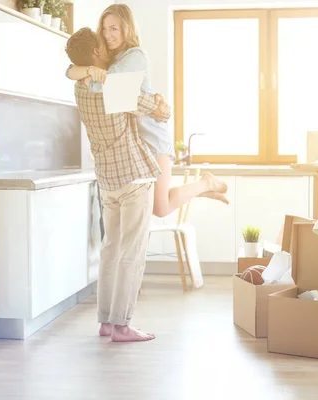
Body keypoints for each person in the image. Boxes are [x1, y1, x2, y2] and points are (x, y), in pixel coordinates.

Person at [65, 4, 229, 218]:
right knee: (155, 204)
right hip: (137, 142)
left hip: (152, 135)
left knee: (159, 208)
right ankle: (204, 189)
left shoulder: (135, 56)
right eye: (104, 29)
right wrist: (85, 70)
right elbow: (68, 71)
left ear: (126, 28)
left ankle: (205, 183)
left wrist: (87, 75)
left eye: (114, 29)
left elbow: (104, 87)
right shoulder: (113, 58)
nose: (108, 35)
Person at [66, 28, 170, 342]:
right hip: (134, 178)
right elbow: (154, 108)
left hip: (107, 181)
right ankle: (123, 326)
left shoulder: (81, 89)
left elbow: (73, 72)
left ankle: (105, 322)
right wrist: (160, 105)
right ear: (97, 53)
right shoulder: (112, 88)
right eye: (102, 43)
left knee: (110, 250)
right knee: (132, 254)